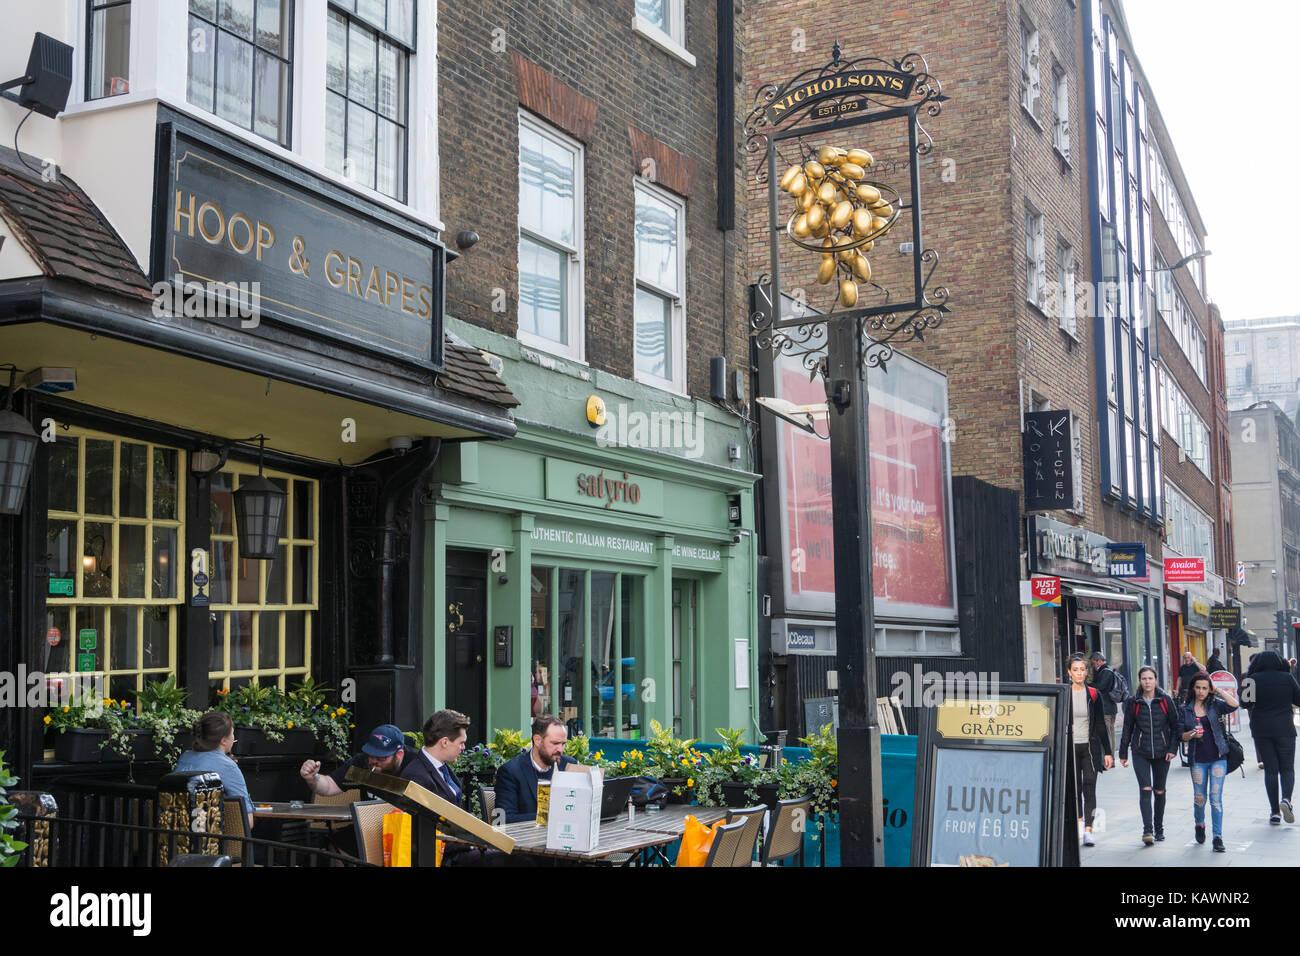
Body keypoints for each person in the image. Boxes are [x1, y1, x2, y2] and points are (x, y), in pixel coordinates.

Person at [1118, 666, 1181, 845]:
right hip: (1140, 752)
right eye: (1144, 679)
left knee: (1159, 791)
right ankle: (1148, 831)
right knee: (1145, 790)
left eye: (1150, 678)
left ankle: (1159, 828)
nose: (1147, 682)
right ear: (1140, 681)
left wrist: (1172, 749)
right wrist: (1123, 753)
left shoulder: (1165, 700)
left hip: (1163, 752)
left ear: (1156, 680)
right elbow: (1127, 728)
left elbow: (1176, 726)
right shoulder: (1133, 702)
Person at [1178, 672, 1239, 852]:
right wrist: (1191, 734)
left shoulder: (1215, 705)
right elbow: (1180, 735)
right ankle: (1199, 823)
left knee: (1215, 799)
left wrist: (1217, 690)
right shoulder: (1185, 709)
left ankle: (1217, 837)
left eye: (1205, 688)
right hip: (1198, 759)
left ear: (1209, 689)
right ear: (1193, 688)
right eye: (1198, 687)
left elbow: (1235, 704)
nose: (1201, 691)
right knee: (1199, 799)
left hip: (1218, 757)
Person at [1241, 650, 1300, 825]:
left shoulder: (1252, 679)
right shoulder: (1287, 678)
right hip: (1285, 728)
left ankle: (1274, 812)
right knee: (1287, 768)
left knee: (1271, 770)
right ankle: (1287, 800)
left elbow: (1245, 703)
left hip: (1261, 730)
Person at [175, 711, 254, 833]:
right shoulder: (228, 767)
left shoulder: (185, 758)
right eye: (233, 734)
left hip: (175, 840)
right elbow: (246, 823)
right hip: (213, 845)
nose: (234, 738)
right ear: (223, 740)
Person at [299, 724, 419, 800]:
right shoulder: (362, 764)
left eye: (381, 757)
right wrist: (312, 778)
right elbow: (330, 786)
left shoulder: (416, 766)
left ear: (398, 755)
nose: (374, 761)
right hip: (368, 829)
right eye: (371, 755)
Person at [494, 715, 578, 823]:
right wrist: (550, 817)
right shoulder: (511, 771)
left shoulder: (568, 765)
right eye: (555, 743)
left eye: (563, 744)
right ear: (537, 740)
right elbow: (504, 819)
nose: (560, 749)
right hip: (526, 837)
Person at [1067, 655, 1112, 846]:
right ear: (1069, 672)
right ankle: (1078, 823)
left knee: (1090, 786)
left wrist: (1108, 752)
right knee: (1075, 788)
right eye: (1075, 669)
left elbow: (1101, 724)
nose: (1079, 673)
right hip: (1070, 747)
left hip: (1089, 747)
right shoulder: (1064, 693)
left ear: (1087, 672)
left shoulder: (1093, 694)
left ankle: (1088, 830)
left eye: (1082, 669)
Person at [400, 709, 470, 807]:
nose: (463, 748)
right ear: (444, 742)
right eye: (461, 743)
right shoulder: (416, 776)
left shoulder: (442, 767)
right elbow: (420, 820)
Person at [1089, 652, 1119, 749]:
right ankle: (1111, 759)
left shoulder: (1105, 672)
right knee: (1111, 733)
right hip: (1111, 707)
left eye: (1093, 663)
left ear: (1099, 661)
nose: (1093, 666)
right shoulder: (1109, 670)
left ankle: (1109, 759)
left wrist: (1087, 685)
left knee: (1107, 734)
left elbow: (1100, 687)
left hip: (1106, 708)